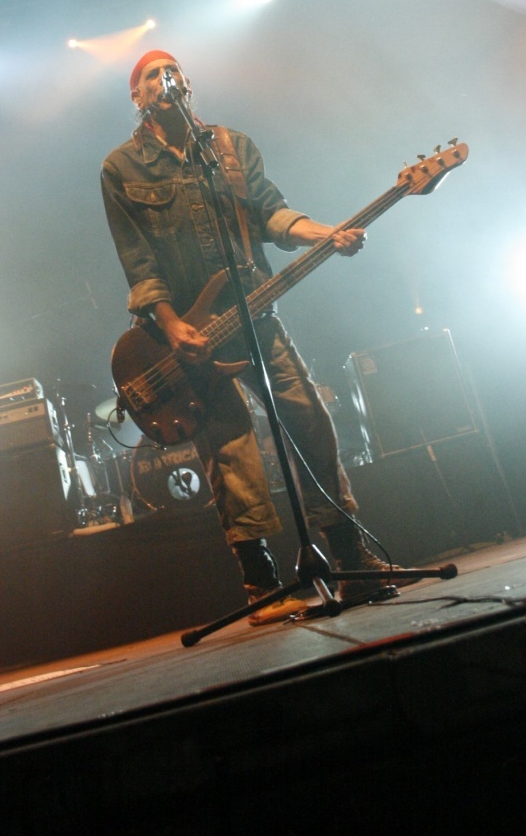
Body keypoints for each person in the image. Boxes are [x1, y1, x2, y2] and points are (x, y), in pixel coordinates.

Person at [100, 49, 400, 624]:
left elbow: (272, 214)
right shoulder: (121, 169)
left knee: (309, 417)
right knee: (231, 450)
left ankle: (347, 555)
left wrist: (325, 234)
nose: (164, 79)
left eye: (172, 71)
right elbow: (137, 261)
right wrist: (170, 323)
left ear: (186, 84)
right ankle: (260, 583)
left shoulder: (230, 148)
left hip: (256, 318)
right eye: (148, 76)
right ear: (136, 97)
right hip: (182, 338)